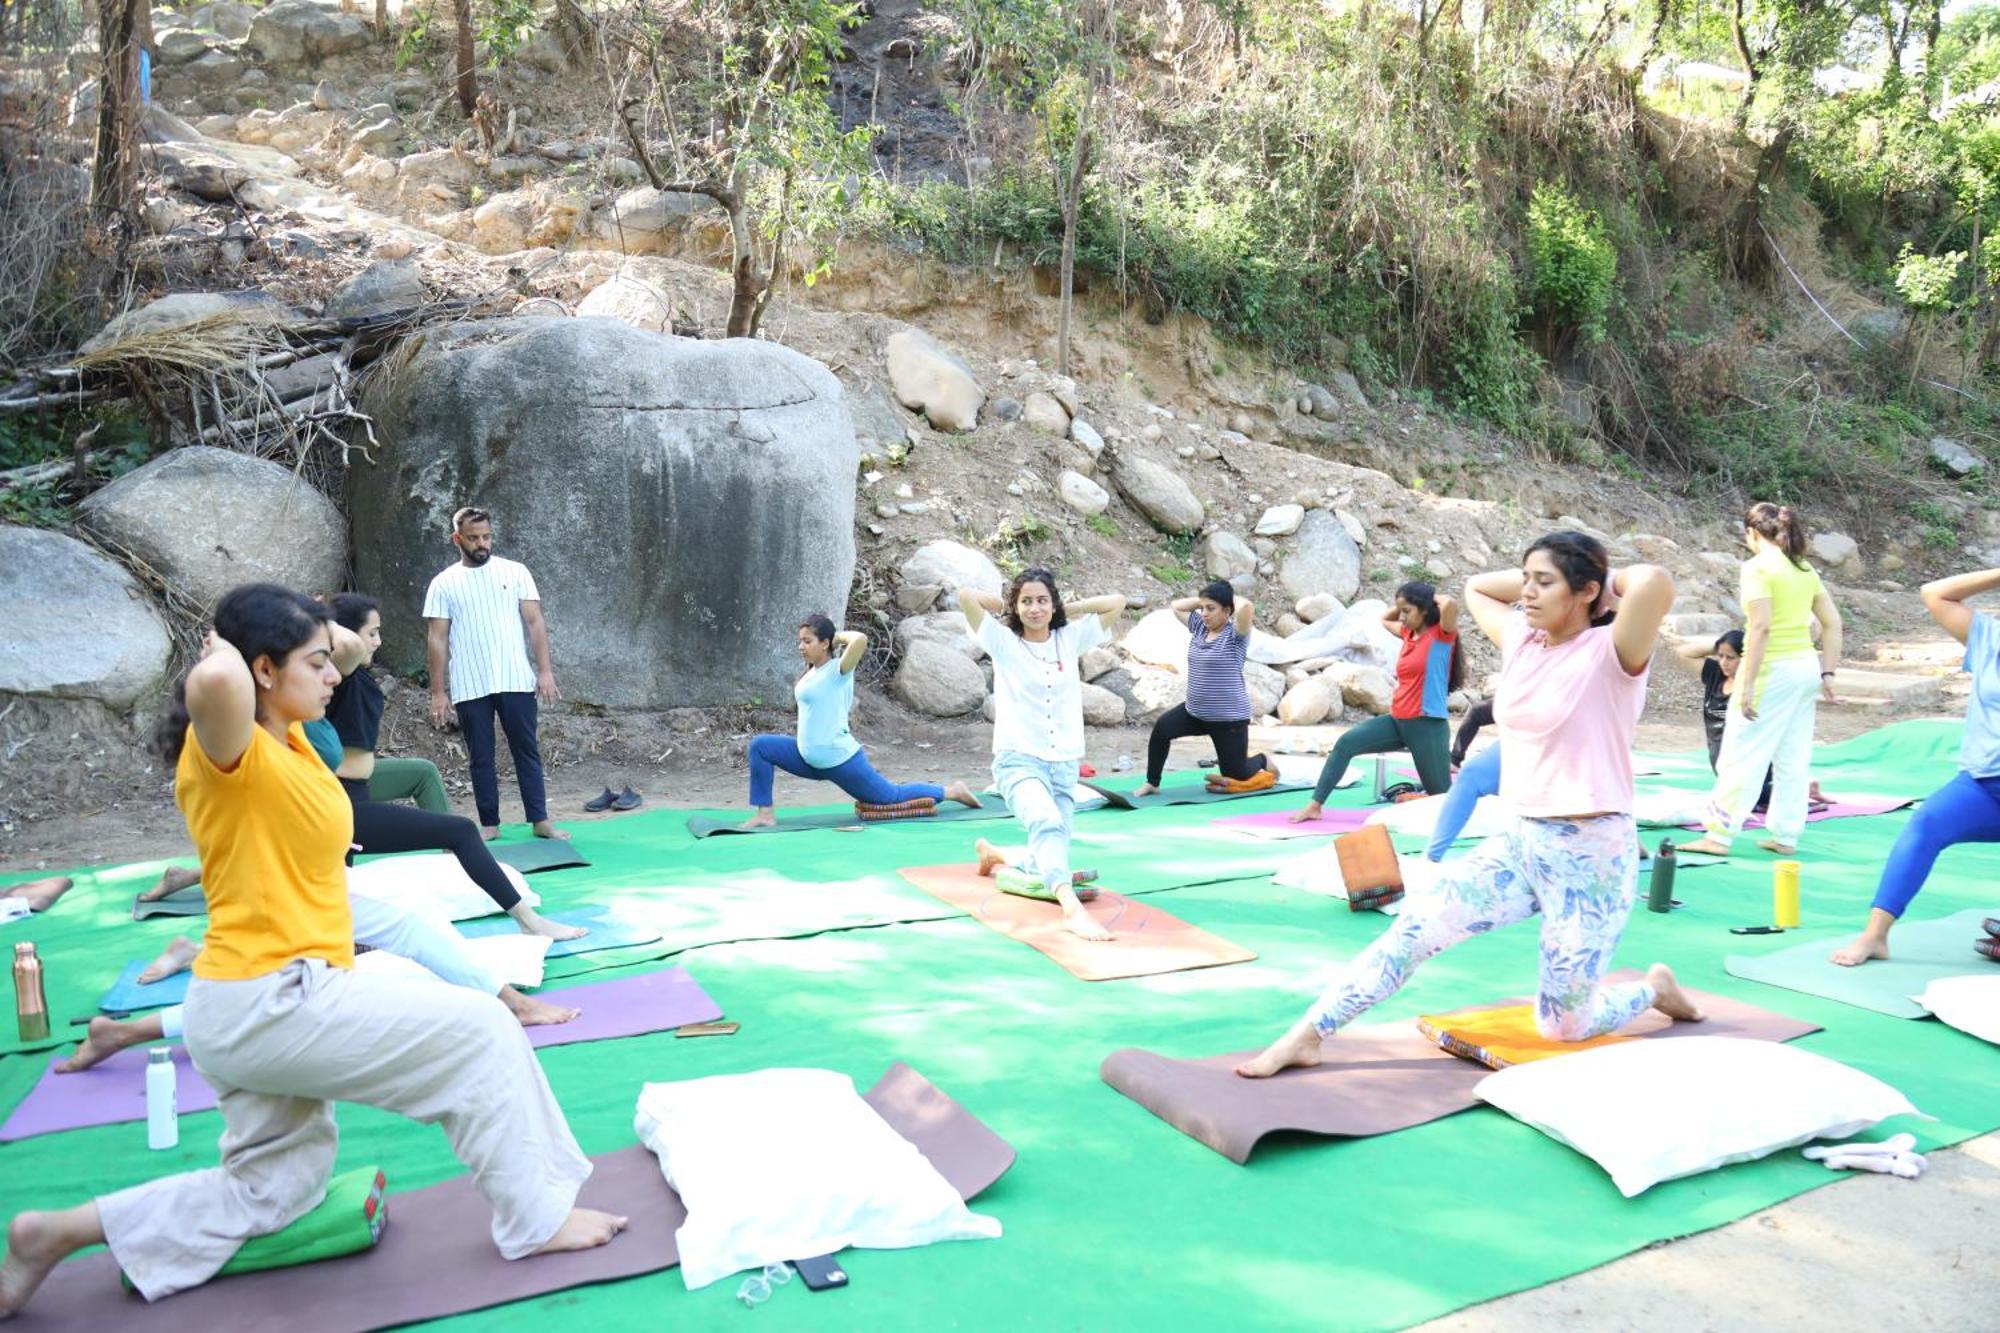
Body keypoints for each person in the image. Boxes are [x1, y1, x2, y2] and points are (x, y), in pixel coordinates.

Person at [0, 584, 620, 1318]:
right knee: (481, 1032)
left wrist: (313, 637)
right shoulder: (229, 747)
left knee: (276, 1187)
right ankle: (535, 1218)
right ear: (263, 670)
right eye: (314, 663)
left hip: (253, 1001)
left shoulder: (290, 738)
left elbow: (350, 646)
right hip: (272, 998)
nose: (335, 675)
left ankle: (54, 1232)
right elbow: (217, 680)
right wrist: (229, 644)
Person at [1237, 533, 1704, 1079]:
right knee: (1414, 930)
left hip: (1591, 855)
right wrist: (1550, 573)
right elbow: (1479, 586)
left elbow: (1653, 584)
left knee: (1563, 1026)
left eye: (1544, 583)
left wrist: (1597, 579)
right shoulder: (1524, 642)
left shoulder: (1614, 653)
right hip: (1522, 841)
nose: (1526, 593)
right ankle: (1309, 1034)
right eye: (1526, 579)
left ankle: (1652, 990)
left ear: (1588, 593)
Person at [57, 880, 584, 1074]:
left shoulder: (295, 714)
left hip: (303, 881)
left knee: (276, 989)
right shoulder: (260, 719)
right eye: (316, 661)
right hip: (287, 887)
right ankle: (513, 1003)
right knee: (279, 991)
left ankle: (124, 1029)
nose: (328, 673)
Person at [328, 595, 580, 940]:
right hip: (339, 803)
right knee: (461, 829)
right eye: (372, 633)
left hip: (355, 786)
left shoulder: (353, 674)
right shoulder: (338, 672)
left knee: (421, 772)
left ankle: (459, 861)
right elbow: (345, 643)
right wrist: (322, 616)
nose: (378, 641)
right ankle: (529, 923)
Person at [1832, 566, 2000, 967]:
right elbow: (1934, 593)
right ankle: (1875, 937)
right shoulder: (1989, 637)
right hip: (1984, 786)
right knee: (1925, 825)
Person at [959, 569, 1126, 941]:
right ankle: (1073, 910)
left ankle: (995, 854)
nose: (1034, 608)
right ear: (1017, 609)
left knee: (1047, 848)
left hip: (1064, 763)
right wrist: (1002, 602)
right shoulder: (1003, 642)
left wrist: (1071, 606)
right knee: (1047, 823)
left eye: (1042, 600)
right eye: (1026, 602)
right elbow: (967, 596)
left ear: (1053, 604)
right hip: (1018, 760)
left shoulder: (1070, 638)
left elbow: (1117, 603)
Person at [1678, 503, 1842, 858]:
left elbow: (1761, 627)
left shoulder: (1757, 568)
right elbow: (1832, 623)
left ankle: (1717, 835)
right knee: (1792, 756)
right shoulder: (1804, 567)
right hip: (1804, 668)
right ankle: (1786, 835)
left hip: (1774, 669)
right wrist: (1828, 671)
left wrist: (1748, 683)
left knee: (1739, 752)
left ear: (1752, 533)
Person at [740, 616, 982, 828]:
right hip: (808, 757)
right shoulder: (811, 672)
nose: (800, 646)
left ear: (825, 643)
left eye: (807, 641)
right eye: (800, 641)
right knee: (761, 746)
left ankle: (952, 791)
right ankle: (765, 815)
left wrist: (835, 637)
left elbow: (860, 640)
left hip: (838, 760)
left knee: (891, 796)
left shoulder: (839, 670)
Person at [424, 507, 566, 843]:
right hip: (470, 684)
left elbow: (535, 622)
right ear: (456, 539)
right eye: (473, 538)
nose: (482, 543)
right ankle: (489, 824)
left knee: (526, 749)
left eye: (486, 536)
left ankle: (540, 821)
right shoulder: (443, 583)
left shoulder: (515, 572)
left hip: (515, 677)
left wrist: (545, 671)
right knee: (481, 757)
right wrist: (438, 693)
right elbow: (437, 638)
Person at [1289, 581, 1462, 823]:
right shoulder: (1408, 633)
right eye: (1400, 611)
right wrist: (1404, 602)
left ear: (1424, 610)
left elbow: (1450, 604)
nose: (1401, 616)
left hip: (1427, 725)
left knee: (1441, 797)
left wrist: (1427, 597)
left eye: (1407, 611)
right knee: (1345, 744)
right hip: (1398, 721)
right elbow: (1384, 619)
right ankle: (1315, 805)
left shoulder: (1442, 636)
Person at [1135, 582, 1271, 796]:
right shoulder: (1199, 627)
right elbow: (1177, 606)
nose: (1204, 614)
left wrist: (1225, 597)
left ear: (1227, 611)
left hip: (1228, 719)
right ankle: (1152, 783)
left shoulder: (1236, 636)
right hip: (1195, 713)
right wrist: (1206, 599)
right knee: (1162, 729)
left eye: (1211, 609)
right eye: (1202, 609)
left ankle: (1263, 760)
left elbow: (1246, 608)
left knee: (1236, 773)